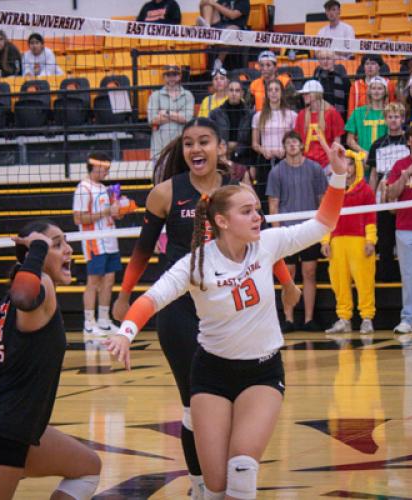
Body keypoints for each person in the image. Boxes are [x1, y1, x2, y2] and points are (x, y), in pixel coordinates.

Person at [107, 143, 348, 499]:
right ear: (221, 221)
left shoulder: (267, 244)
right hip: (211, 376)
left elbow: (324, 222)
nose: (258, 218)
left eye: (257, 210)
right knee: (214, 487)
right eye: (248, 211)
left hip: (262, 373)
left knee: (242, 470)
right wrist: (126, 333)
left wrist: (339, 174)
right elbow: (152, 298)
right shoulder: (197, 263)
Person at [0, 220, 101, 500]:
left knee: (87, 467)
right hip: (3, 430)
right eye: (56, 245)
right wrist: (37, 246)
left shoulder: (2, 307)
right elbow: (25, 294)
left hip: (2, 425)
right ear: (35, 258)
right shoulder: (39, 287)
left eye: (64, 241)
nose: (68, 250)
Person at [267, 130, 329, 332]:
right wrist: (276, 236)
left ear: (302, 145)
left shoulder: (315, 169)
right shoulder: (276, 172)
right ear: (284, 148)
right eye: (288, 143)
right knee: (289, 274)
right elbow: (273, 205)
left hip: (310, 230)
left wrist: (324, 233)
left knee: (309, 273)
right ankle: (288, 319)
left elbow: (323, 201)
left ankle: (309, 319)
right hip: (287, 232)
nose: (292, 145)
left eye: (296, 142)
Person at [323, 150, 377, 334]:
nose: (347, 166)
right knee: (338, 281)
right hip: (337, 242)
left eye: (350, 163)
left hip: (359, 241)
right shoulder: (333, 191)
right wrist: (325, 242)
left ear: (356, 167)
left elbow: (371, 217)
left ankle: (367, 318)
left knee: (364, 281)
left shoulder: (366, 190)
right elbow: (326, 217)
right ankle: (344, 319)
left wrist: (370, 240)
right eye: (343, 162)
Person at [73, 153, 124, 335]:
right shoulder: (82, 188)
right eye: (105, 169)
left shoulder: (104, 188)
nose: (107, 172)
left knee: (109, 280)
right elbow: (78, 218)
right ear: (95, 167)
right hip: (93, 241)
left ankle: (103, 320)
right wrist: (105, 212)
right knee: (93, 281)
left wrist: (119, 210)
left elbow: (112, 213)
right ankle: (89, 322)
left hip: (110, 240)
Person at [368, 103, 409, 282]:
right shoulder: (377, 144)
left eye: (397, 116)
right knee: (384, 239)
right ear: (385, 119)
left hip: (406, 195)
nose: (393, 120)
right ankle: (386, 276)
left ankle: (406, 276)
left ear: (403, 119)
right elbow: (373, 174)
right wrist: (370, 199)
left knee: (405, 237)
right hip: (383, 196)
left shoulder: (410, 141)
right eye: (390, 117)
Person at [387, 125, 412, 334]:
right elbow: (391, 195)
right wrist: (407, 174)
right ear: (408, 141)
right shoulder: (400, 165)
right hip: (406, 229)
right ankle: (409, 319)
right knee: (410, 277)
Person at [251, 78, 297, 206]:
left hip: (286, 159)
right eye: (270, 90)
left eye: (276, 89)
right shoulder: (258, 116)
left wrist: (286, 150)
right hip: (265, 160)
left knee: (286, 193)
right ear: (266, 93)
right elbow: (254, 143)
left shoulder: (292, 115)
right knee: (266, 195)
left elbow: (297, 140)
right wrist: (263, 150)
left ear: (282, 92)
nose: (273, 93)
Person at [148, 65, 195, 164]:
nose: (171, 78)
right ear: (164, 77)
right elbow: (152, 120)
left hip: (181, 149)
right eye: (168, 75)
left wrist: (166, 112)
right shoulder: (155, 95)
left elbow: (187, 118)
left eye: (174, 74)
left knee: (181, 179)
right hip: (159, 150)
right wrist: (177, 116)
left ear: (179, 76)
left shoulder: (188, 95)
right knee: (160, 179)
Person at [294, 79, 345, 169]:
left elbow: (337, 143)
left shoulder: (332, 113)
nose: (304, 96)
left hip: (328, 164)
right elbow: (298, 141)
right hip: (306, 164)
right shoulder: (302, 114)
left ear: (316, 94)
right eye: (304, 94)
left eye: (307, 93)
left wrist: (334, 163)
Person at [346, 76, 388, 169]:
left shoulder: (389, 112)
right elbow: (349, 140)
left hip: (385, 160)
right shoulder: (358, 112)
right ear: (369, 91)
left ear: (385, 91)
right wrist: (363, 153)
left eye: (380, 88)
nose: (376, 91)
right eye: (373, 88)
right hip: (363, 162)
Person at [196, 0, 250, 71]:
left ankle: (219, 62)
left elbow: (232, 16)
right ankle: (207, 30)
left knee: (230, 32)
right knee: (207, 3)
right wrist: (202, 4)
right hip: (220, 27)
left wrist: (213, 3)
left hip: (236, 30)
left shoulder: (244, 1)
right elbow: (207, 9)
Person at [209, 78, 253, 157]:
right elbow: (211, 135)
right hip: (221, 154)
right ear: (226, 92)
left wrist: (237, 148)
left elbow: (250, 140)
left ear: (242, 93)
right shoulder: (215, 114)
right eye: (231, 90)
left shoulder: (250, 114)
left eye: (237, 91)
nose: (234, 93)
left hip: (243, 156)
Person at [348, 54, 395, 119]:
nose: (370, 66)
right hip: (361, 124)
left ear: (379, 66)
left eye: (373, 63)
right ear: (363, 67)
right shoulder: (355, 86)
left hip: (382, 122)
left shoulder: (388, 84)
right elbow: (351, 111)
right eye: (367, 64)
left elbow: (393, 107)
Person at [313, 50, 350, 121]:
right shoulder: (316, 78)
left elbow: (347, 102)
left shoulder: (343, 79)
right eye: (322, 59)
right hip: (320, 118)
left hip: (339, 119)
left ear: (334, 60)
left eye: (328, 58)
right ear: (319, 61)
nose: (325, 61)